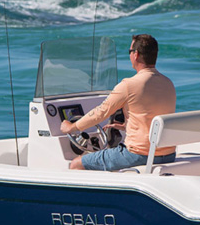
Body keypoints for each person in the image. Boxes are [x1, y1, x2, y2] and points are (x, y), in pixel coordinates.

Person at [60, 34, 176, 171]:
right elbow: (152, 115)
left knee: (76, 164)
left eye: (130, 51)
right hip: (168, 154)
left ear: (136, 54)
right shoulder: (168, 83)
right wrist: (127, 126)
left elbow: (101, 112)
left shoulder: (129, 85)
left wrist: (72, 127)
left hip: (138, 154)